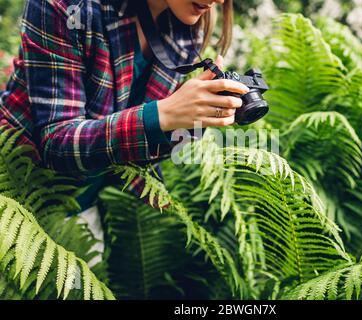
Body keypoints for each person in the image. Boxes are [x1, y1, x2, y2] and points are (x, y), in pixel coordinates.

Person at [0, 0, 249, 220]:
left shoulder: (186, 24)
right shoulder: (65, 6)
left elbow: (141, 150)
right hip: (15, 191)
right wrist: (161, 115)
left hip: (88, 206)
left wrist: (196, 116)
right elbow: (57, 143)